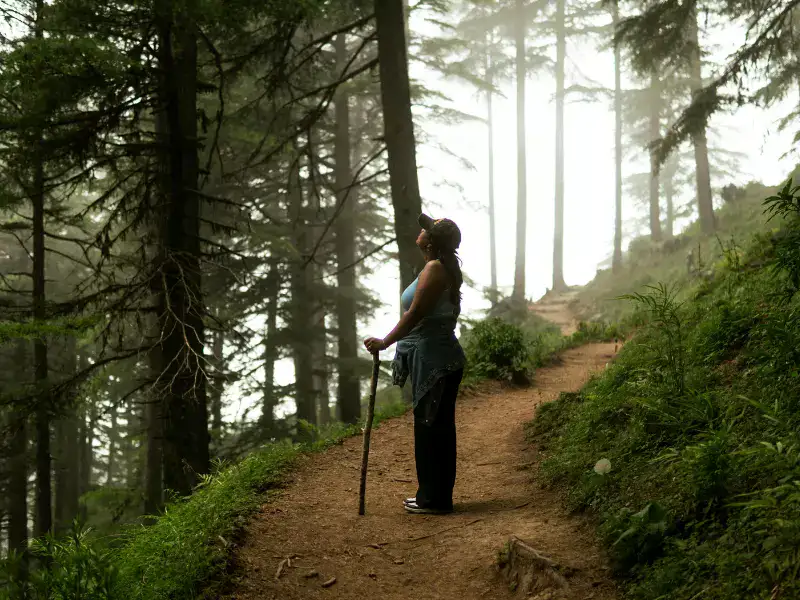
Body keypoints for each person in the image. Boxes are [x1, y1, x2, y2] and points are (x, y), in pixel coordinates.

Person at [364, 213, 466, 514]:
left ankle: (435, 500)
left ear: (432, 242)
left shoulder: (435, 269)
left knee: (433, 429)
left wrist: (385, 342)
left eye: (427, 230)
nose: (420, 231)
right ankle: (431, 496)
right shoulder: (438, 266)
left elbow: (415, 314)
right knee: (433, 428)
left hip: (435, 360)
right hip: (437, 357)